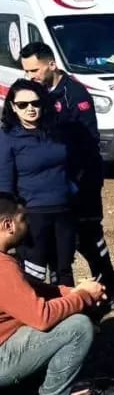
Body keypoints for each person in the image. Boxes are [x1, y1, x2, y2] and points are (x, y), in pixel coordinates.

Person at [19, 43, 114, 300]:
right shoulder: (35, 93)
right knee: (56, 242)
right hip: (56, 182)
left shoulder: (75, 95)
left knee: (89, 235)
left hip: (82, 178)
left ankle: (108, 285)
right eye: (26, 71)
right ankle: (63, 295)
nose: (31, 76)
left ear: (51, 64)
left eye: (34, 70)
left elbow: (87, 142)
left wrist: (75, 181)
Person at [0, 194, 105, 395]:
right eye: (23, 219)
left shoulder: (5, 261)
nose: (28, 225)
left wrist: (73, 291)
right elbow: (41, 316)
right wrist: (83, 298)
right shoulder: (2, 267)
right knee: (78, 327)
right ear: (8, 225)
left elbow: (35, 289)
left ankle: (41, 388)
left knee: (66, 316)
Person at [0, 79, 86, 287]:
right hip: (32, 215)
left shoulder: (57, 132)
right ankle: (36, 315)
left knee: (63, 269)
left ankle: (72, 316)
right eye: (22, 104)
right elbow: (4, 183)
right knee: (34, 272)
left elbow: (74, 167)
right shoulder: (8, 138)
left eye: (35, 103)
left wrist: (73, 193)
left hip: (64, 210)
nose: (30, 108)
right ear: (13, 107)